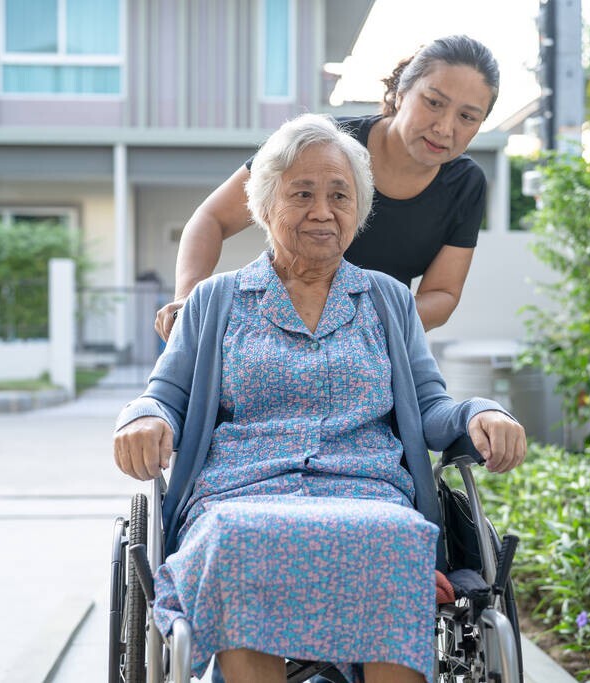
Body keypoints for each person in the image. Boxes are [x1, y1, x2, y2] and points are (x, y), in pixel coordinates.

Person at [114, 114, 525, 683]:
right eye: (302, 193)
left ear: (359, 210)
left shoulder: (388, 301)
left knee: (396, 537)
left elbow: (432, 406)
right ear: (263, 205)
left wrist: (481, 411)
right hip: (241, 495)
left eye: (339, 195)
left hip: (368, 494)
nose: (323, 211)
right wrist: (142, 417)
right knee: (235, 540)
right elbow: (165, 395)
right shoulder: (215, 300)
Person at [154, 34, 500, 342]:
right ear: (401, 93)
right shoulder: (323, 143)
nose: (444, 128)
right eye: (434, 102)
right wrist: (188, 300)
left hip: (375, 345)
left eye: (467, 117)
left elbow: (442, 294)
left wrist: (359, 328)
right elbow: (211, 218)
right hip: (274, 333)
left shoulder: (465, 185)